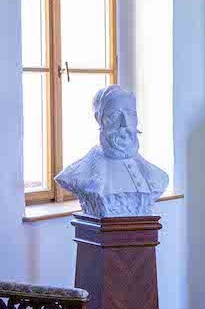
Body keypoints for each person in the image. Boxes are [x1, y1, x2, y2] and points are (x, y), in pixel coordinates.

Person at [54, 86, 170, 217]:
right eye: (115, 115)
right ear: (99, 119)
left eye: (131, 114)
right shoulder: (78, 174)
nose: (124, 123)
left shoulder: (157, 176)